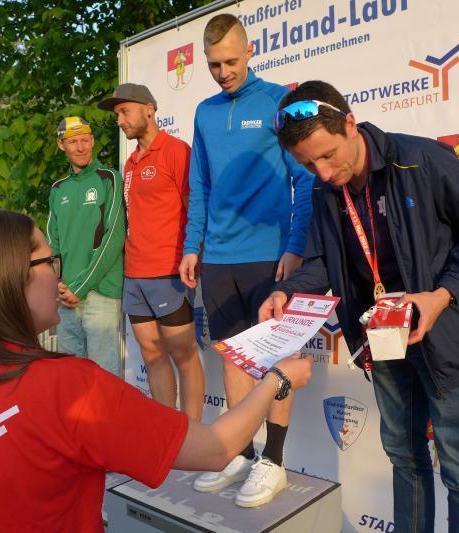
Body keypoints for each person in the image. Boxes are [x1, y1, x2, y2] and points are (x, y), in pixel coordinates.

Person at [0, 210, 313, 532]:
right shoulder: (69, 389)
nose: (60, 278)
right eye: (49, 262)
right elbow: (215, 449)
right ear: (11, 277)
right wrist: (277, 380)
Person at [259, 80, 459, 533]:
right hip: (383, 340)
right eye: (307, 164)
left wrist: (440, 296)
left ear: (350, 124)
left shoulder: (422, 160)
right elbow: (325, 261)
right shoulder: (325, 190)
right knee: (403, 455)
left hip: (447, 334)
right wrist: (288, 292)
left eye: (328, 155)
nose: (322, 172)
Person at [177, 14, 314, 507]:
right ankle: (241, 453)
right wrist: (193, 245)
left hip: (269, 257)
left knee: (276, 359)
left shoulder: (279, 100)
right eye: (214, 64)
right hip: (218, 258)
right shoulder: (205, 111)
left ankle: (273, 461)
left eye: (231, 61)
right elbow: (200, 185)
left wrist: (295, 245)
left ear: (250, 51)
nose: (224, 72)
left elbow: (305, 178)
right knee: (233, 356)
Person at [98, 84, 204, 420]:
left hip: (168, 270)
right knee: (151, 355)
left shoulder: (176, 151)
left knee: (184, 356)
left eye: (124, 111)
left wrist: (195, 254)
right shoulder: (129, 163)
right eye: (117, 115)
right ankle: (167, 433)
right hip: (134, 274)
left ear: (149, 109)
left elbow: (195, 207)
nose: (120, 120)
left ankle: (192, 435)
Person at [46, 117, 125, 375]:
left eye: (85, 140)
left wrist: (80, 287)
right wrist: (58, 281)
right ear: (61, 145)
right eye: (73, 142)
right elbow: (52, 242)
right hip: (66, 296)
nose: (80, 147)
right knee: (71, 375)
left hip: (100, 291)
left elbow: (113, 238)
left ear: (92, 141)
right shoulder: (58, 189)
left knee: (103, 376)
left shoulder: (109, 178)